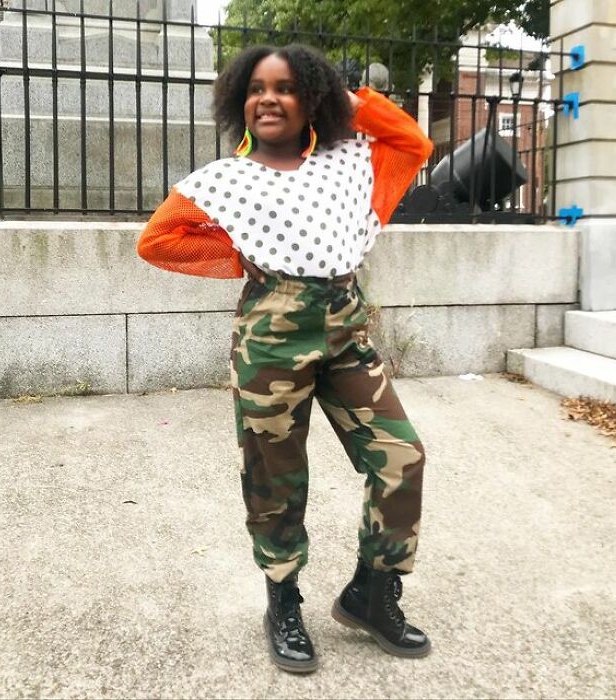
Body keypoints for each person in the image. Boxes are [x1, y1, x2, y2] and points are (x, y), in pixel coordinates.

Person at [137, 43, 434, 674]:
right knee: (276, 477)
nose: (268, 99)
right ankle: (283, 600)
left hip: (346, 331)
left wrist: (349, 101)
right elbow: (158, 240)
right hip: (271, 340)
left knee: (402, 457)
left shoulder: (349, 161)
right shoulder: (224, 180)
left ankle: (372, 594)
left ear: (312, 99)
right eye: (256, 88)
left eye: (286, 87)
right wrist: (241, 254)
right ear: (238, 101)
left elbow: (413, 143)